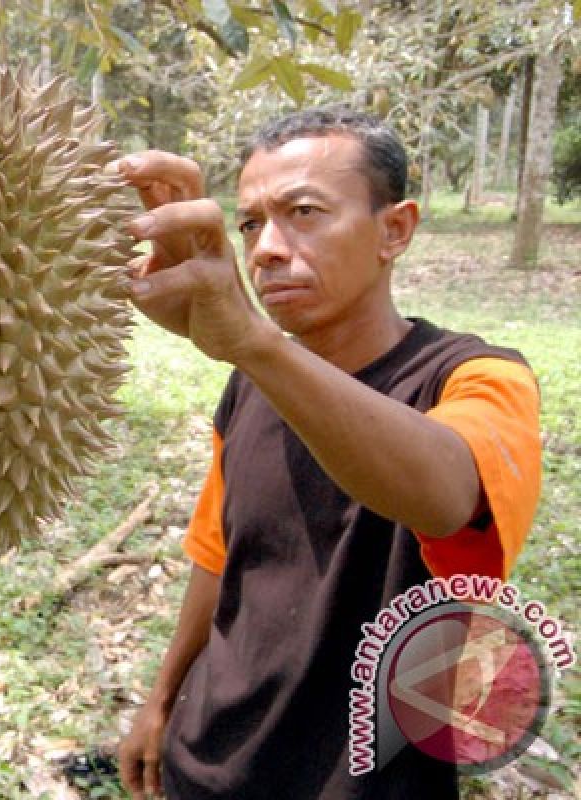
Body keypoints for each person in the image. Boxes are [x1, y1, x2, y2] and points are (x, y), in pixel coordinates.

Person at [113, 108, 542, 799]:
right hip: (211, 763)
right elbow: (219, 554)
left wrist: (254, 343)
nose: (266, 250)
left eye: (304, 212)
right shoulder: (251, 385)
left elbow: (448, 494)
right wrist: (162, 700)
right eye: (250, 223)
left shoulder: (473, 378)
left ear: (394, 230)